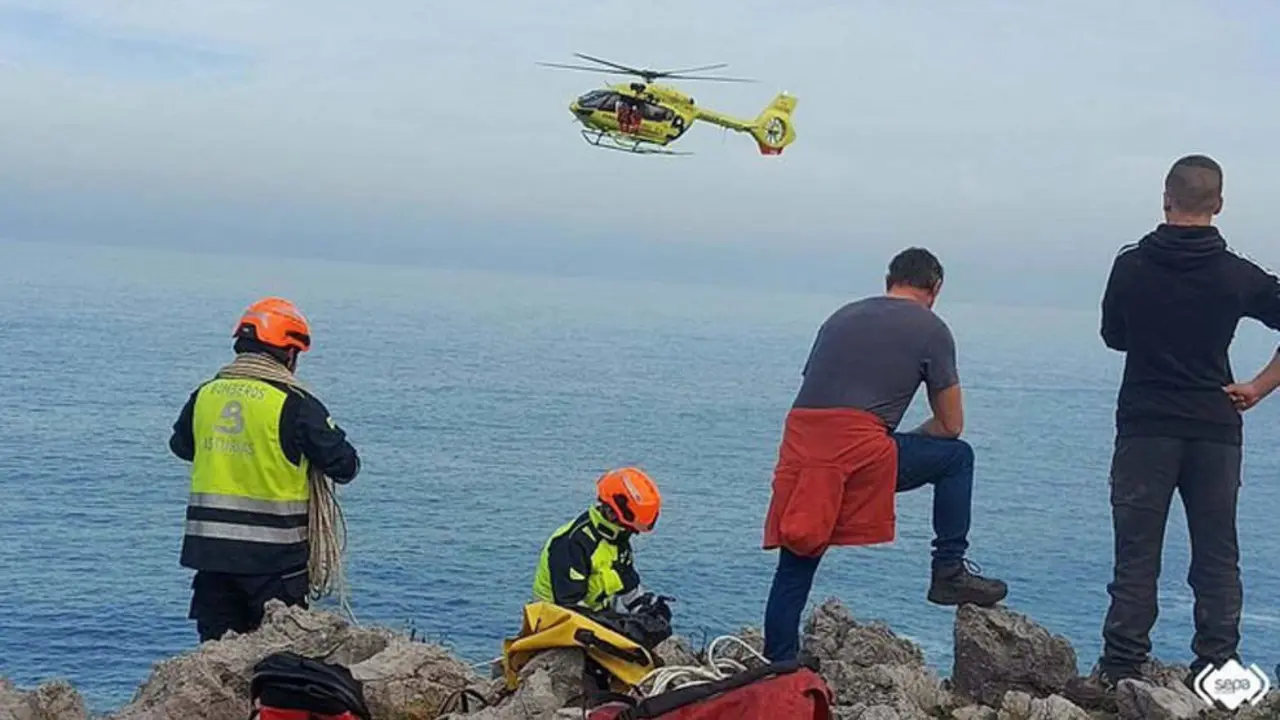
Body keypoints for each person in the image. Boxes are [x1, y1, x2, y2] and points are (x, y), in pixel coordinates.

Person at [1066, 155, 1280, 706]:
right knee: (1216, 555)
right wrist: (1259, 385)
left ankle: (1119, 669)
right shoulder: (1237, 273)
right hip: (1215, 428)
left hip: (1144, 426)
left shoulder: (1131, 266)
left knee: (1136, 555)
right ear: (1219, 203)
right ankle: (1221, 675)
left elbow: (1114, 335)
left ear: (1165, 199)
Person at [761, 247, 1008, 663]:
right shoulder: (932, 328)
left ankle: (779, 664)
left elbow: (821, 392)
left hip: (801, 449)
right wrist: (895, 444)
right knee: (958, 458)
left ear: (888, 281)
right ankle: (948, 570)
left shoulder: (839, 317)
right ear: (936, 288)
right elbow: (950, 426)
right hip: (858, 448)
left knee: (799, 555)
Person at [169, 297, 361, 643]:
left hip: (212, 558)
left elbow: (182, 446)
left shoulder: (205, 396)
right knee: (278, 659)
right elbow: (345, 465)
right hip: (275, 563)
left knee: (218, 661)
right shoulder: (295, 404)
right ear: (289, 352)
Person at [532, 467, 667, 619]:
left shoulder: (616, 541)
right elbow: (569, 606)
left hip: (594, 615)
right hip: (553, 623)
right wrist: (614, 623)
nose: (631, 534)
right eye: (629, 528)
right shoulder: (573, 544)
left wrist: (645, 610)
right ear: (612, 514)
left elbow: (628, 586)